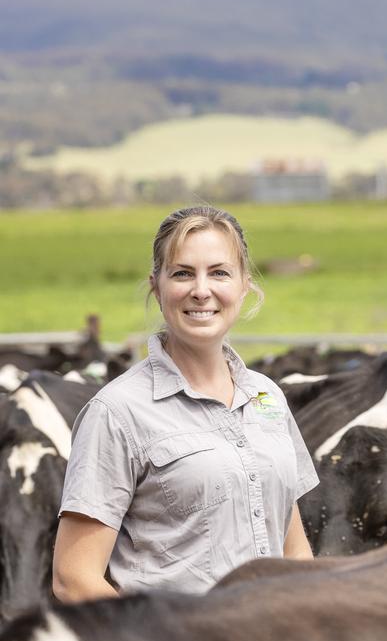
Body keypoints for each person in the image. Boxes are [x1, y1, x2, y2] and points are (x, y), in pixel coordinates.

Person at [53, 206, 319, 602]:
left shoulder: (267, 397)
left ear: (244, 284)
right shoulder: (117, 412)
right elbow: (73, 579)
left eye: (219, 272)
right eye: (182, 273)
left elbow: (294, 551)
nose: (201, 290)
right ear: (156, 287)